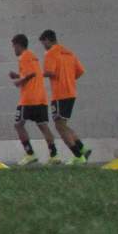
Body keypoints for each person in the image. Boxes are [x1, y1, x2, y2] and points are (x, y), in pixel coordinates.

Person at [39, 29, 92, 164]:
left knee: (59, 126)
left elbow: (50, 72)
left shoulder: (51, 53)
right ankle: (82, 148)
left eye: (43, 43)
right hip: (71, 93)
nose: (43, 46)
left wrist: (38, 74)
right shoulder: (69, 52)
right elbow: (80, 72)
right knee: (63, 124)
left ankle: (78, 156)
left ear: (47, 40)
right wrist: (68, 78)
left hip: (59, 95)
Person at [9, 34, 58, 166]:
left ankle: (30, 154)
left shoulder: (23, 57)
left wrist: (18, 81)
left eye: (13, 46)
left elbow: (29, 76)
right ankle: (54, 155)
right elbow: (32, 74)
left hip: (29, 98)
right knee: (43, 125)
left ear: (18, 45)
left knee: (18, 125)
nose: (13, 49)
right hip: (41, 97)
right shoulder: (33, 56)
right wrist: (17, 75)